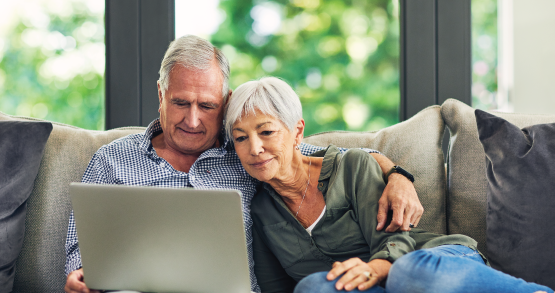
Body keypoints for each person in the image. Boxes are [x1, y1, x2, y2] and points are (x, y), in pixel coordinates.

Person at [64, 35, 423, 293]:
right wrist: (79, 274)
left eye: (206, 106)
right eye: (180, 103)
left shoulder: (248, 154)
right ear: (161, 94)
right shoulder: (113, 160)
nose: (192, 120)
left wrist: (396, 174)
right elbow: (81, 243)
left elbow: (320, 157)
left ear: (226, 101)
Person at [225, 76, 554, 293]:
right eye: (241, 138)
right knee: (313, 287)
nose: (254, 148)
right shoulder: (261, 210)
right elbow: (274, 288)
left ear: (297, 132)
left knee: (408, 272)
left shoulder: (350, 166)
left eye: (266, 132)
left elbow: (393, 241)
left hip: (426, 261)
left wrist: (372, 270)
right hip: (367, 289)